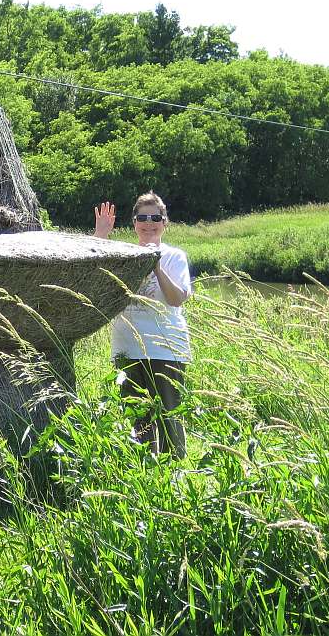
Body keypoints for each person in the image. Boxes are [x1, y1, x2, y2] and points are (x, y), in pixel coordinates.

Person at [93, 191, 192, 458]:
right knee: (138, 423)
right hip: (127, 350)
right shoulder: (121, 255)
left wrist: (156, 266)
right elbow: (91, 278)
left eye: (155, 217)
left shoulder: (175, 257)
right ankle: (147, 477)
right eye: (142, 217)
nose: (149, 223)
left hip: (166, 349)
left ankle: (175, 479)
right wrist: (100, 236)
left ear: (165, 222)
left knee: (169, 418)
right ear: (134, 222)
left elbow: (176, 299)